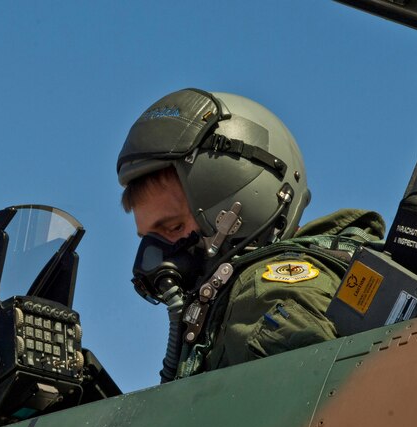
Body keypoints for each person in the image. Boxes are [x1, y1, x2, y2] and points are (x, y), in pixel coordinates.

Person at [116, 88, 384, 382]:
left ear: (238, 213)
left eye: (174, 227)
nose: (152, 259)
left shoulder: (261, 299)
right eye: (148, 237)